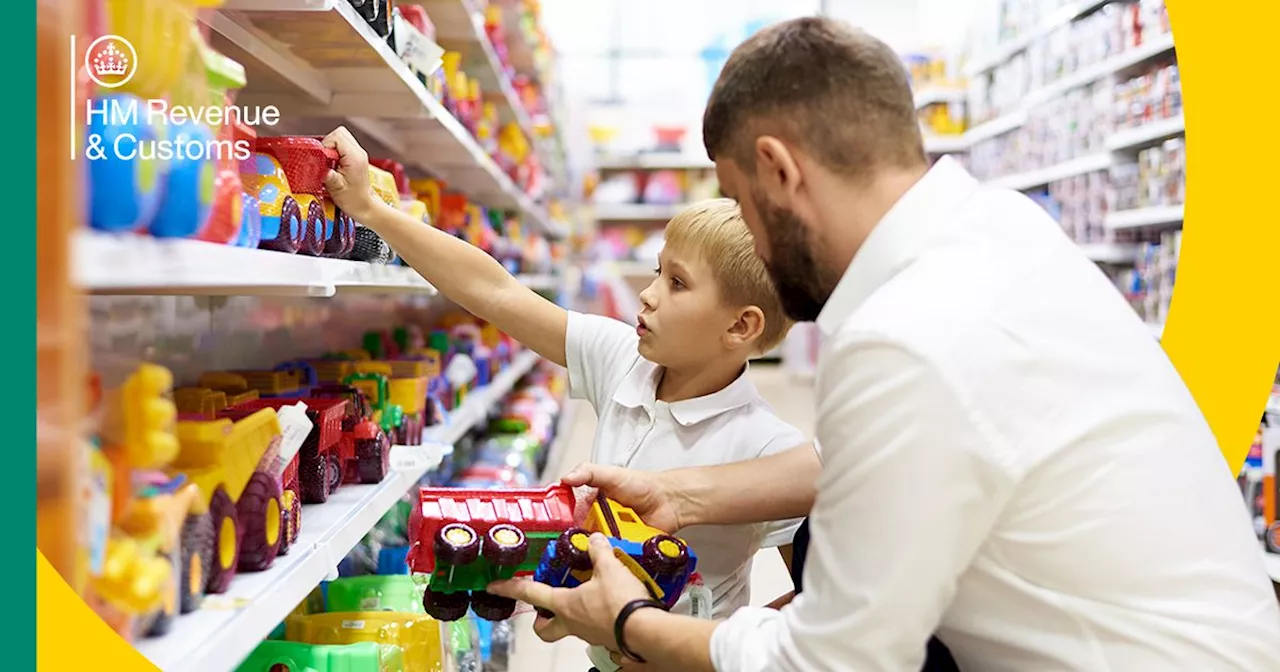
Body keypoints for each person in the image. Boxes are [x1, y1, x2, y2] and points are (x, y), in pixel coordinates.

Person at [487, 17, 1280, 671]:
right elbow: (887, 467)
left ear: (779, 171)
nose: (752, 246)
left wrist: (627, 621)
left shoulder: (905, 336)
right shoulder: (1000, 230)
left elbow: (836, 663)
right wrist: (687, 497)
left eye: (740, 202)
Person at [318, 128, 809, 671]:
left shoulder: (772, 452)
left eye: (677, 283)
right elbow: (495, 292)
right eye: (656, 272)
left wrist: (712, 655)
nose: (647, 293)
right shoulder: (623, 358)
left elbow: (815, 605)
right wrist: (371, 210)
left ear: (741, 325)